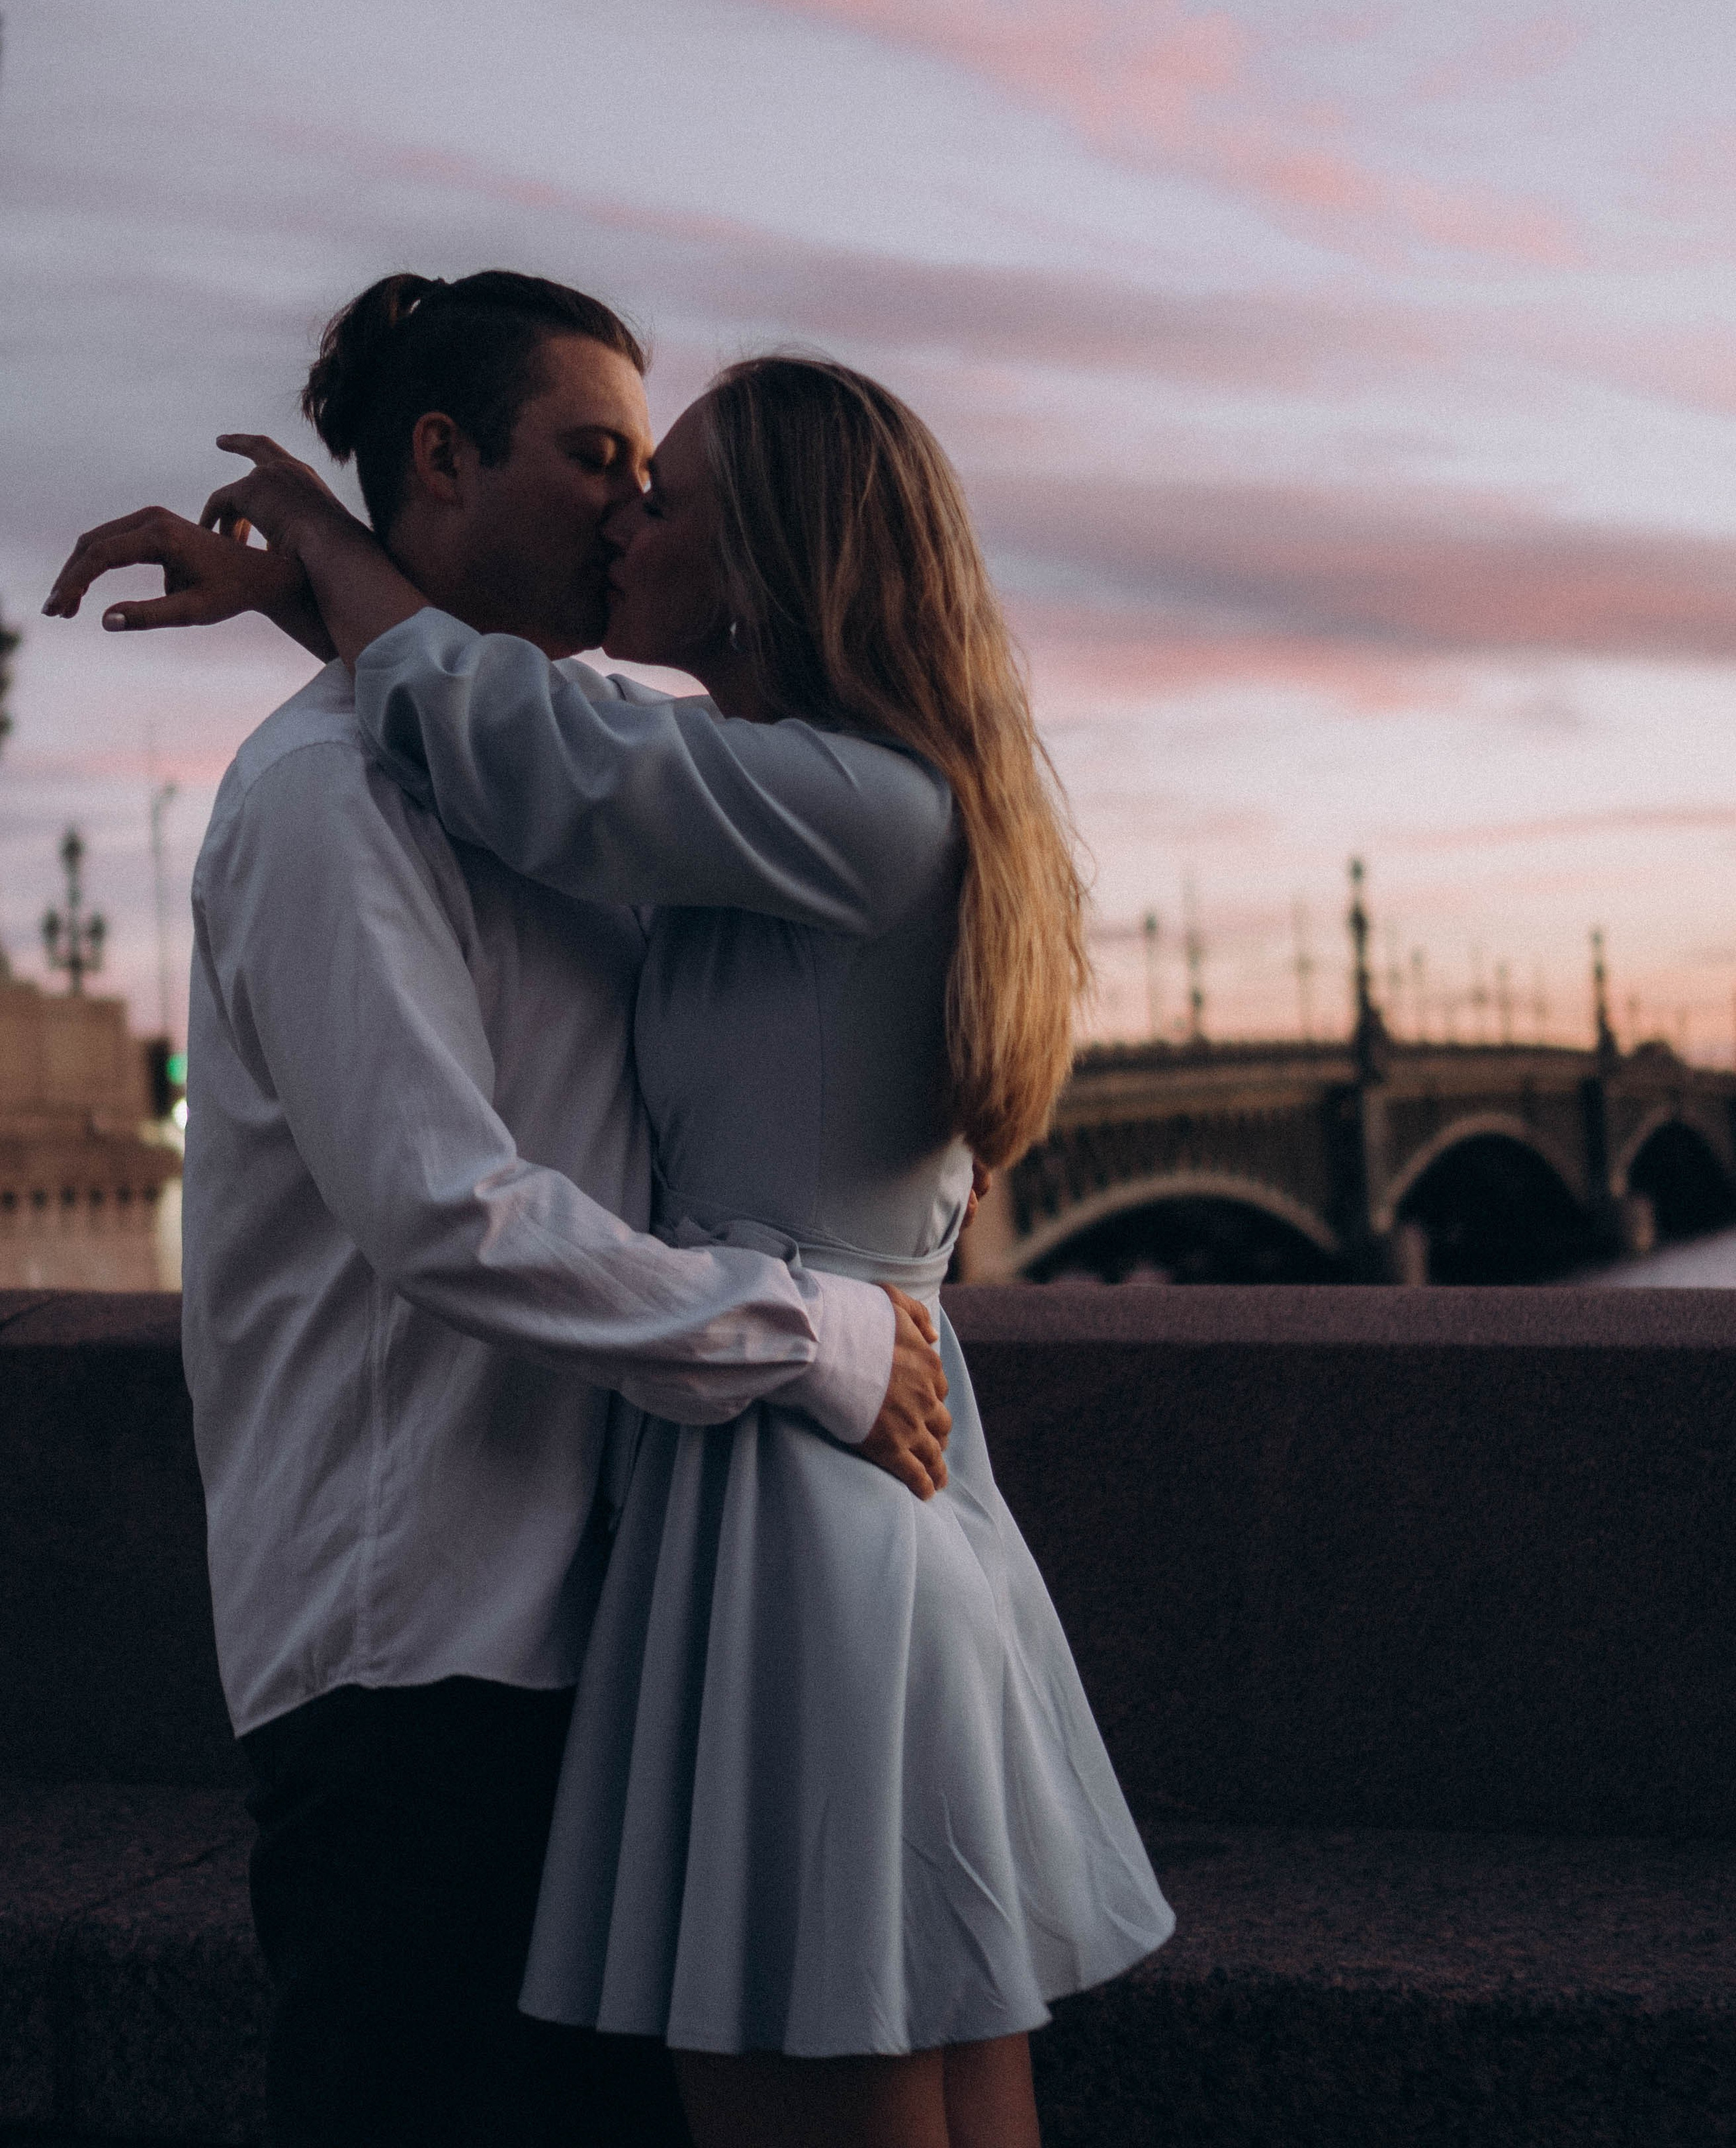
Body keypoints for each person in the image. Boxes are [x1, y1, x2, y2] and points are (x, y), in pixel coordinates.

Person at [75, 317, 1177, 2148]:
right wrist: (330, 603)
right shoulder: (382, 794)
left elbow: (531, 744)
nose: (626, 516)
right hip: (494, 1630)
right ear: (445, 456)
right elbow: (530, 752)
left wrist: (336, 571)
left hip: (783, 1530)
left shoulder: (813, 805)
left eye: (659, 490)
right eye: (605, 466)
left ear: (767, 569)